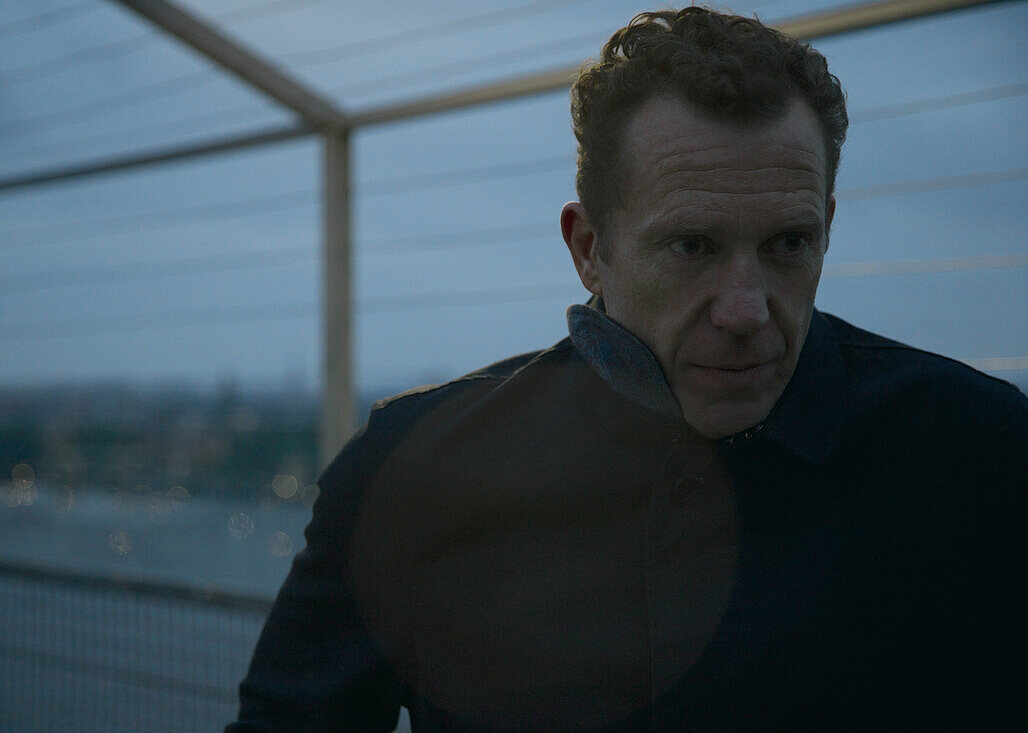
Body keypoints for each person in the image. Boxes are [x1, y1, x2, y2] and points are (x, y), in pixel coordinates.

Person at [229, 7, 1026, 731]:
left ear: (828, 227)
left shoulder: (976, 450)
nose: (746, 310)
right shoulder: (412, 473)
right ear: (588, 250)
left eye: (789, 242)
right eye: (693, 247)